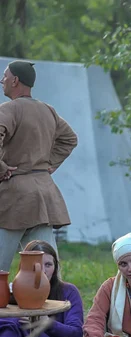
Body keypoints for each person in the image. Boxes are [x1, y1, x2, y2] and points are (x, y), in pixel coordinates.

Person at [0, 60, 78, 272]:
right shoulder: (48, 110)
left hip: (14, 198)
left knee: (0, 270)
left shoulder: (9, 109)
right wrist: (49, 164)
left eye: (5, 77)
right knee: (46, 270)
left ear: (15, 80)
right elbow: (70, 138)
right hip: (43, 197)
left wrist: (2, 167)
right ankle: (55, 305)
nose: (2, 81)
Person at [0, 240, 84, 337]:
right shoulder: (15, 290)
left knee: (15, 326)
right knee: (11, 325)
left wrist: (48, 324)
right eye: (37, 265)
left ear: (55, 266)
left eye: (48, 265)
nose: (43, 271)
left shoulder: (68, 291)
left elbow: (76, 335)